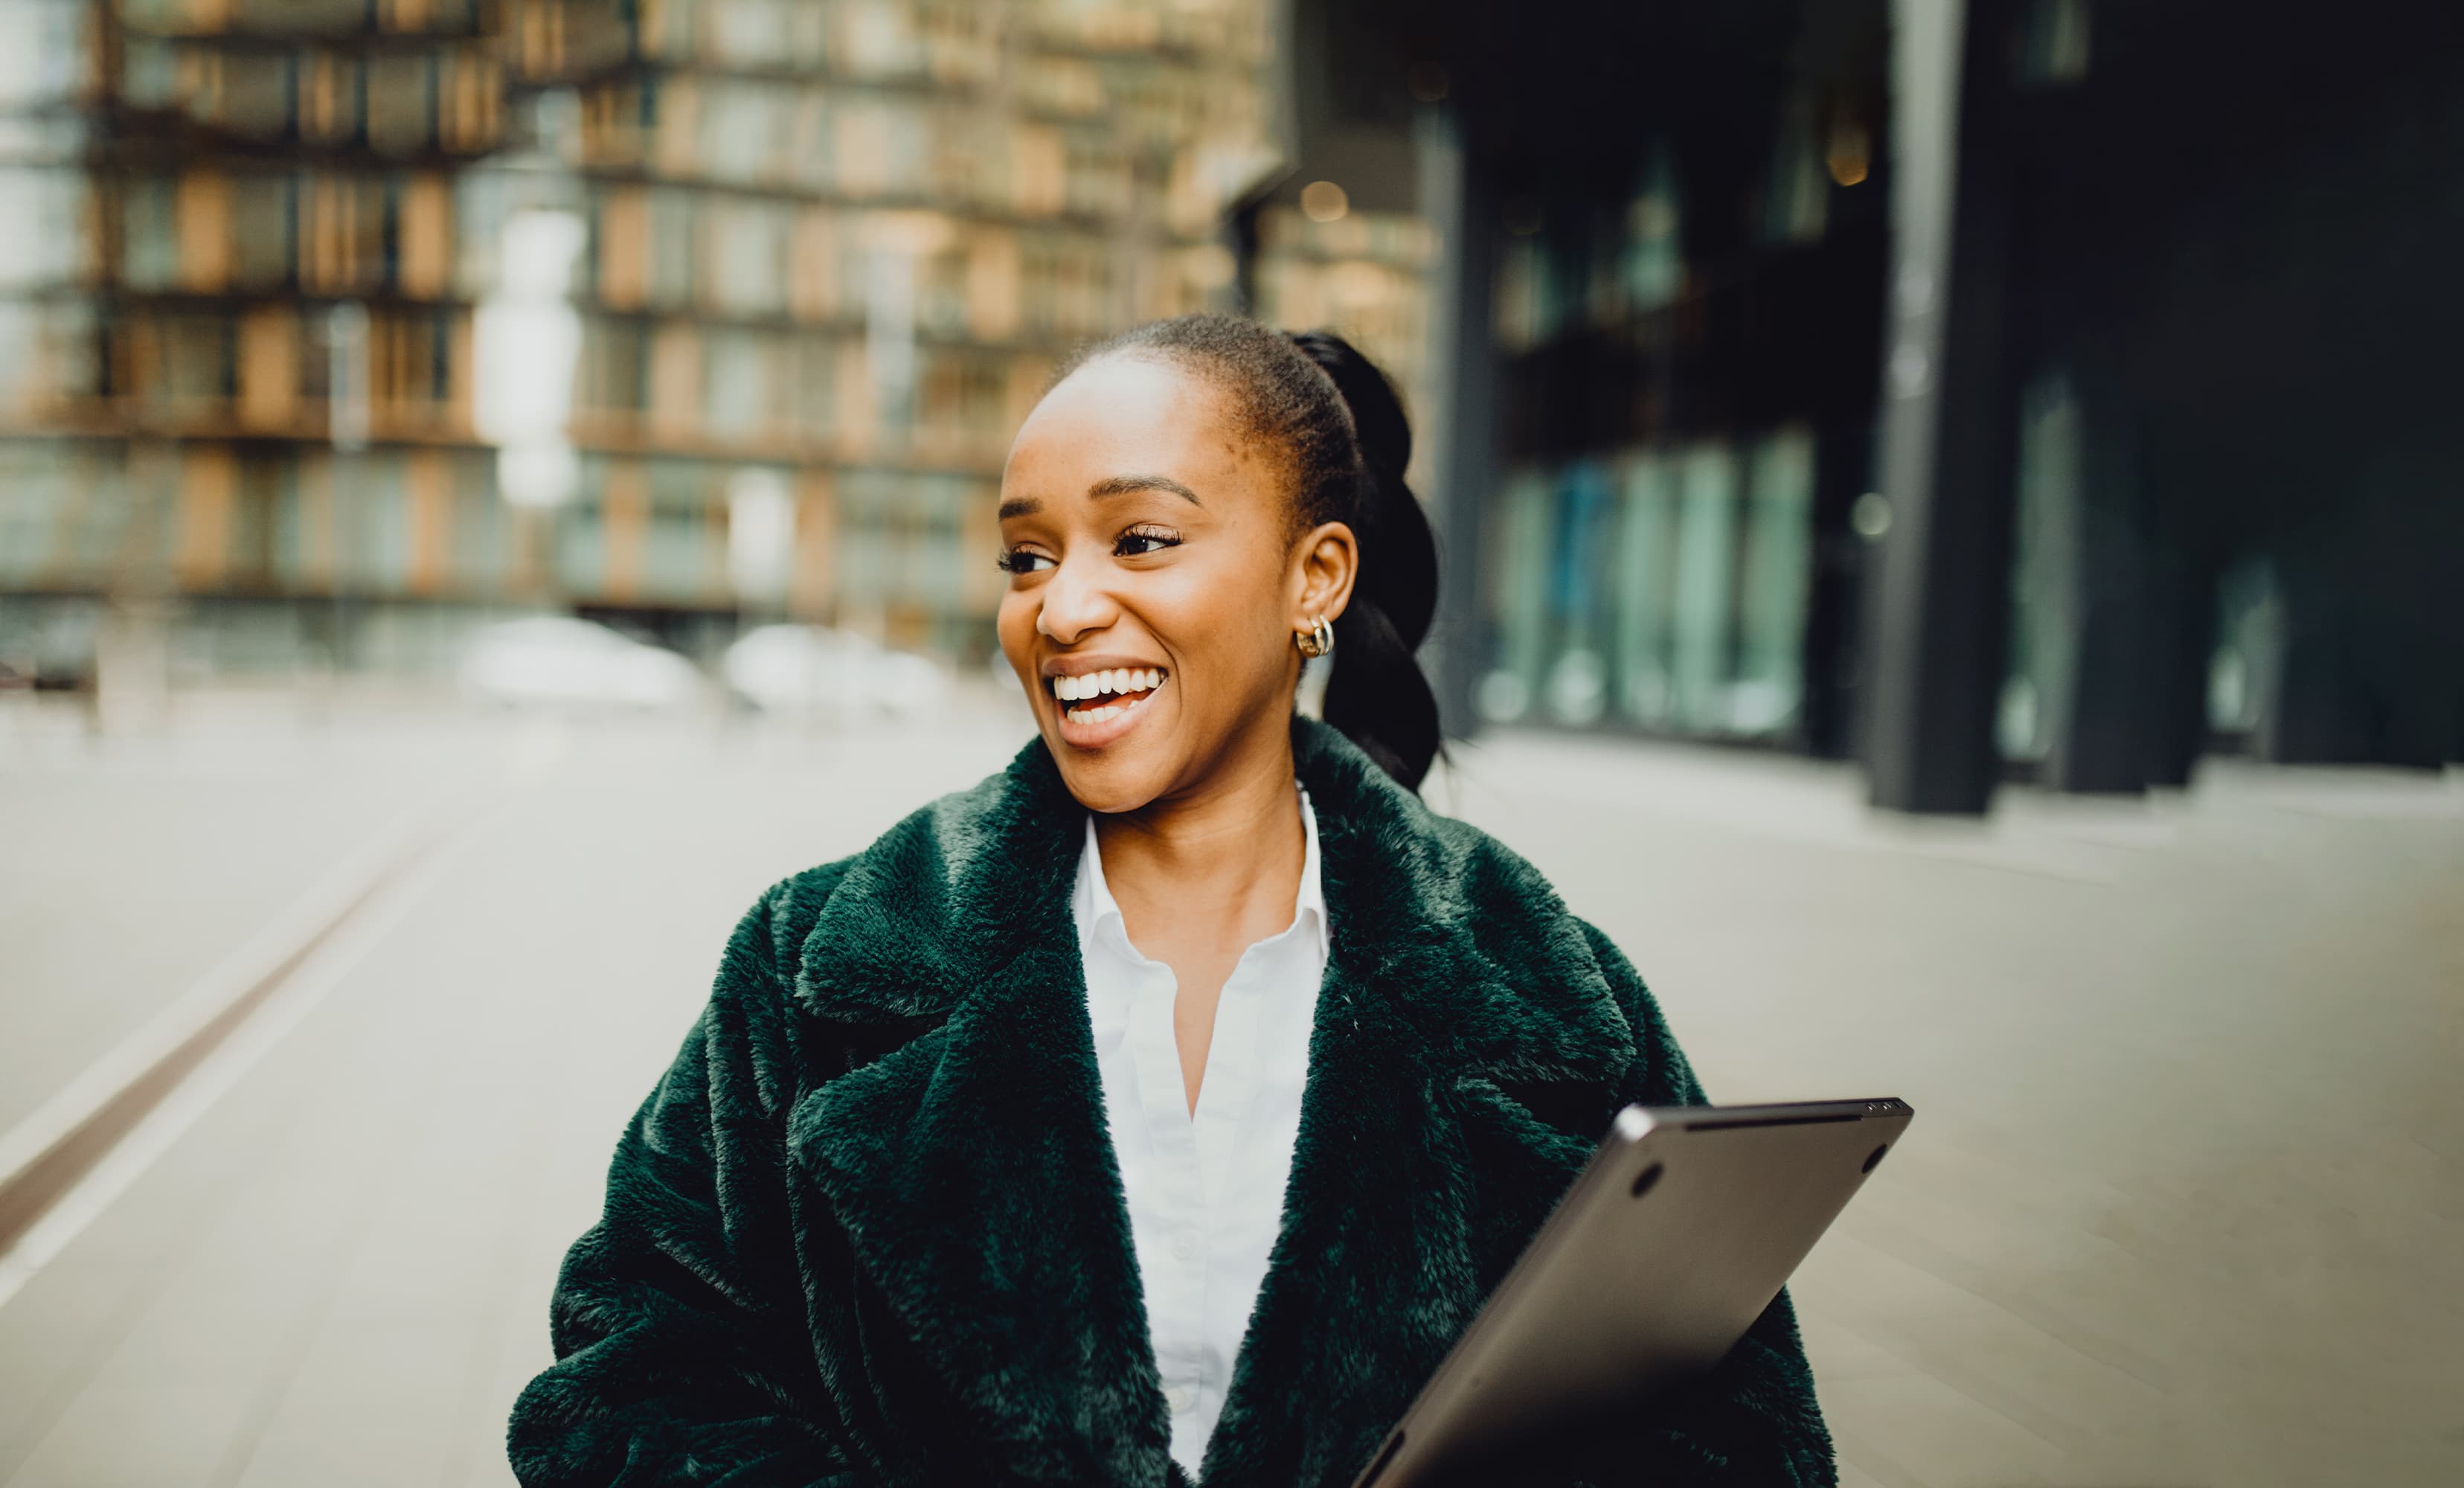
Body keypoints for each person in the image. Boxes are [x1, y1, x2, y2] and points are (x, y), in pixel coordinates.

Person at [507, 314, 1834, 1487]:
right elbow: (630, 1368)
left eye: (1141, 539)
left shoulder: (1551, 994)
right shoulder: (817, 963)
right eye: (1027, 558)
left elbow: (1743, 1434)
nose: (1064, 608)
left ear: (1315, 577)